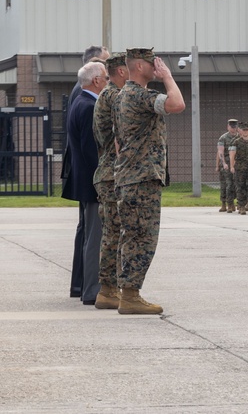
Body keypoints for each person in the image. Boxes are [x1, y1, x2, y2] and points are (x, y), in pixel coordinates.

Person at [113, 48, 185, 314]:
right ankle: (130, 296)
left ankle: (128, 294)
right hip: (142, 179)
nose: (157, 66)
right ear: (140, 67)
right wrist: (167, 77)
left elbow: (118, 142)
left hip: (129, 176)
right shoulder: (140, 95)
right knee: (143, 237)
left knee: (131, 235)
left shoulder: (121, 96)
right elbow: (177, 104)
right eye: (152, 63)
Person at [62, 45, 110, 300]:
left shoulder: (80, 101)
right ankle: (91, 290)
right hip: (93, 183)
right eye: (106, 77)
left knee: (90, 234)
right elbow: (92, 152)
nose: (109, 82)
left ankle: (83, 287)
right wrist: (103, 183)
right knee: (95, 237)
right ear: (96, 80)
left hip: (85, 181)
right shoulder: (89, 106)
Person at [91, 53, 127, 309]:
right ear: (123, 71)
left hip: (109, 172)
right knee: (114, 233)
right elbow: (119, 138)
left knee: (112, 232)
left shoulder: (107, 94)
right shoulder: (115, 95)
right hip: (113, 173)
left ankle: (109, 289)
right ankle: (108, 290)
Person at [216, 119, 239, 213]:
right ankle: (225, 204)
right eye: (231, 127)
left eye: (234, 127)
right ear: (228, 127)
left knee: (236, 184)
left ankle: (234, 203)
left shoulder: (240, 137)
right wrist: (224, 163)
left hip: (237, 164)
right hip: (227, 164)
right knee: (226, 185)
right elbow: (220, 152)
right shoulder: (223, 138)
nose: (233, 129)